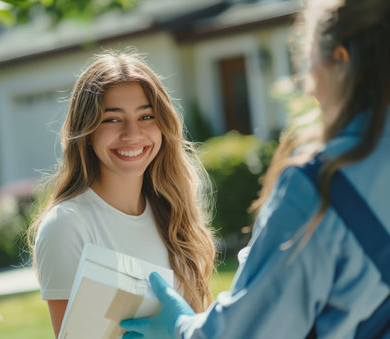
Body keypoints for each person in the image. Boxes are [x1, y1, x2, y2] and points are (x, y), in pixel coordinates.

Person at [120, 0, 390, 337]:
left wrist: (178, 326)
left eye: (307, 64)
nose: (308, 86)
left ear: (340, 60)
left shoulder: (321, 184)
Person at [27, 51, 216, 338]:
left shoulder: (174, 213)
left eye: (146, 116)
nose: (132, 134)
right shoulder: (66, 227)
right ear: (86, 131)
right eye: (112, 119)